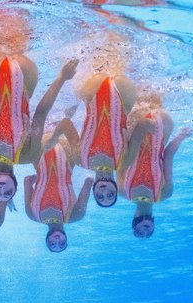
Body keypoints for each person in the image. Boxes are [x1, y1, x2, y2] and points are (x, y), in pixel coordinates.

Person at [0, 8, 80, 203]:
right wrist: (61, 78)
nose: (2, 191)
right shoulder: (27, 155)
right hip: (22, 78)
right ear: (15, 184)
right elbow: (41, 113)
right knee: (13, 34)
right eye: (8, 193)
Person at [72, 32, 137, 208]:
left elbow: (66, 126)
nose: (104, 192)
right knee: (118, 62)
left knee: (97, 63)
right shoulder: (125, 161)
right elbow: (139, 129)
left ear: (94, 190)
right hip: (123, 103)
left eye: (101, 196)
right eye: (110, 194)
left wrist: (52, 139)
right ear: (116, 187)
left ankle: (96, 28)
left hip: (92, 100)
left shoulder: (80, 160)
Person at [117, 92, 192, 238]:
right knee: (154, 95)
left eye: (140, 232)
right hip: (160, 128)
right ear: (153, 226)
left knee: (141, 92)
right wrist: (182, 136)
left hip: (137, 128)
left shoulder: (122, 191)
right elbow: (168, 155)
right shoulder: (164, 193)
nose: (145, 231)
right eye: (148, 232)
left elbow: (122, 154)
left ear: (134, 220)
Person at [24, 118, 94, 252]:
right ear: (66, 238)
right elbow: (88, 182)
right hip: (65, 160)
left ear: (47, 240)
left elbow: (27, 181)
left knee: (50, 125)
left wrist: (39, 178)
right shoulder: (76, 215)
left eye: (52, 244)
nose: (57, 241)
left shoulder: (32, 215)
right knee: (59, 122)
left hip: (41, 160)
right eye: (61, 244)